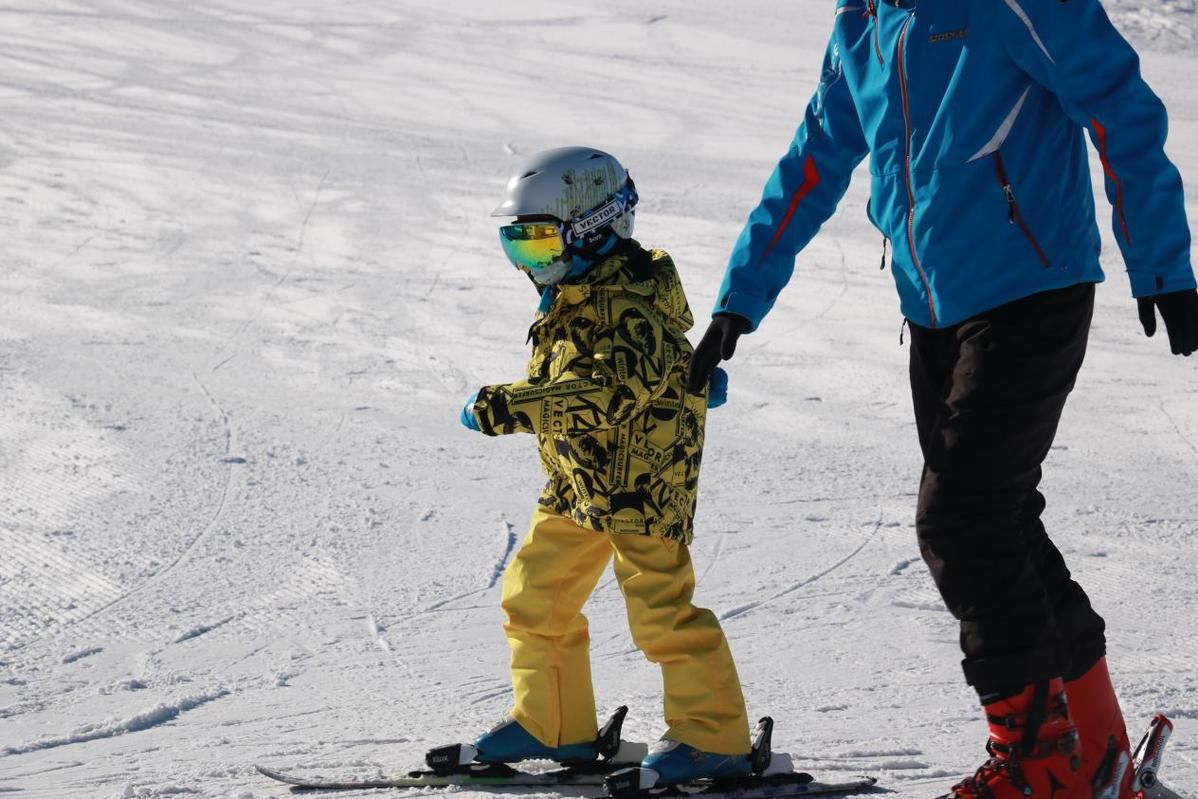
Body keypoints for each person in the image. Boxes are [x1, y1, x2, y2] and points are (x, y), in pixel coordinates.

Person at [685, 3, 1197, 798]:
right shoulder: (865, 20)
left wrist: (1162, 261)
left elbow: (1118, 102)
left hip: (1034, 290)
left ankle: (1041, 767)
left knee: (963, 518)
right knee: (1001, 518)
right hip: (934, 313)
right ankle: (1096, 753)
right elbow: (816, 155)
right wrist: (740, 297)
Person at [459, 146, 750, 787]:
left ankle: (713, 737)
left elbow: (611, 392)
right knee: (534, 598)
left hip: (643, 487)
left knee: (661, 614)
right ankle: (554, 724)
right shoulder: (575, 292)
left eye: (538, 245)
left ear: (594, 229)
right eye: (517, 248)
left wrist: (513, 406)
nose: (529, 265)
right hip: (579, 487)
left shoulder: (627, 303)